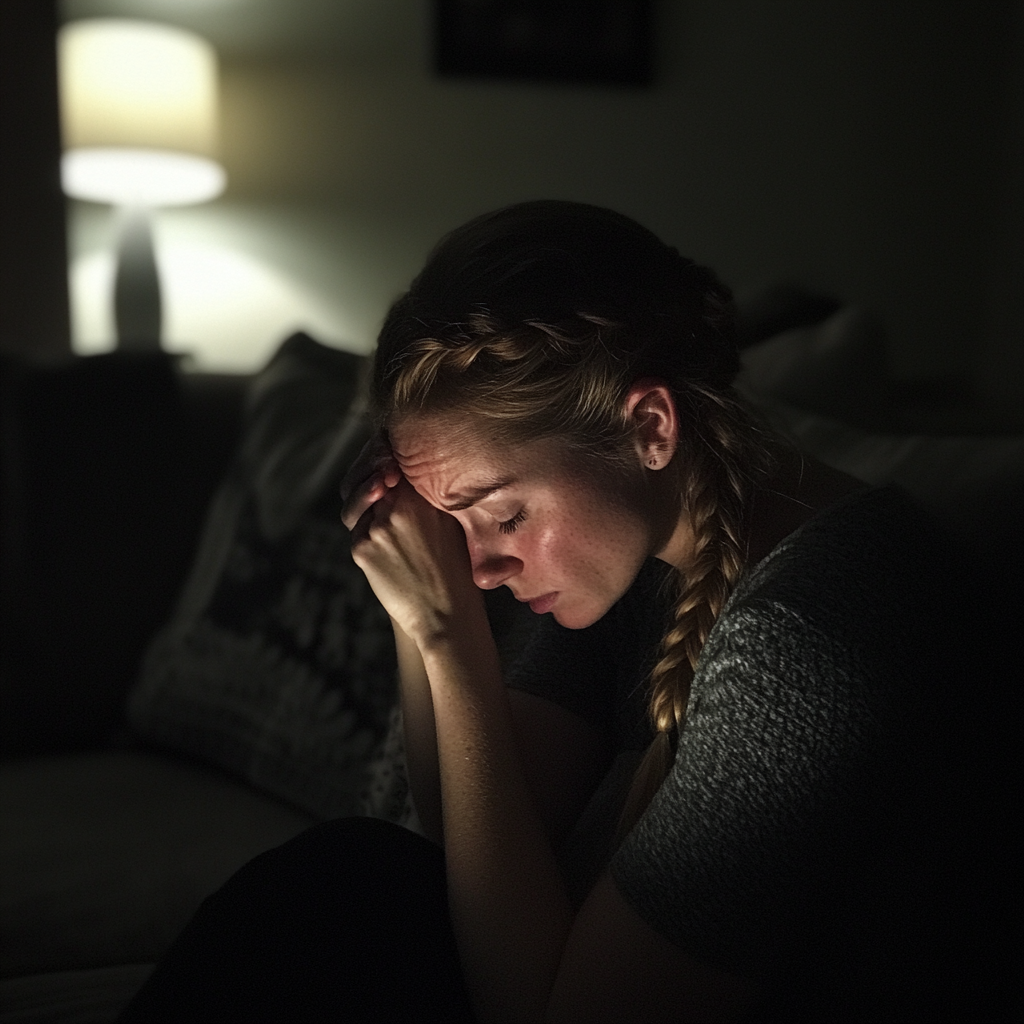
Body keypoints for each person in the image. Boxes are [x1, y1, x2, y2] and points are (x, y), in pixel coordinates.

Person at [120, 202, 966, 1023]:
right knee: (355, 884)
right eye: (463, 530)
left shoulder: (812, 636)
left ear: (649, 426)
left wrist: (452, 640)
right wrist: (422, 611)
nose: (485, 570)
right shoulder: (645, 552)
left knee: (348, 886)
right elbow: (467, 835)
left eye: (506, 514)